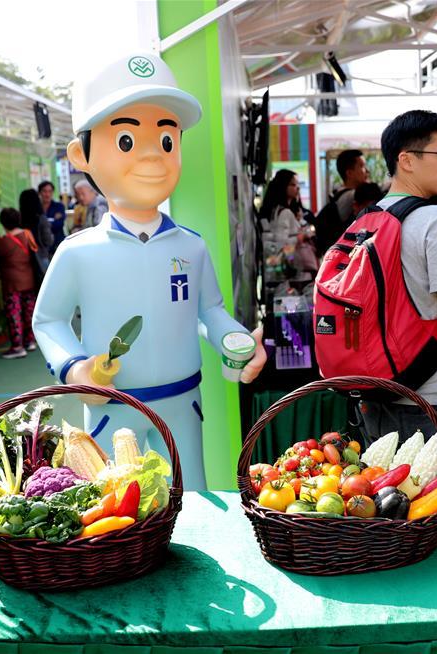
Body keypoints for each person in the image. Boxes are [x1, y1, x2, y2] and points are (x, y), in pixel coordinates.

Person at [33, 52, 266, 490]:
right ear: (82, 154)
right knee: (119, 507)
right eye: (126, 140)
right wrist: (75, 368)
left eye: (166, 140)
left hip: (182, 402)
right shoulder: (78, 252)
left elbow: (210, 311)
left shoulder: (191, 246)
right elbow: (48, 319)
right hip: (110, 408)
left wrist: (235, 342)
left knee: (191, 498)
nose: (152, 156)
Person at [358, 110, 437, 460]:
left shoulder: (365, 220)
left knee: (385, 493)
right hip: (434, 400)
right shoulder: (435, 219)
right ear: (406, 161)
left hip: (376, 394)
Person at [0, 208, 38, 358]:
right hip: (29, 280)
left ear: (3, 223)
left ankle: (17, 346)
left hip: (12, 283)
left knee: (14, 314)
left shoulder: (2, 242)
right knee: (29, 312)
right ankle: (30, 341)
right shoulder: (27, 234)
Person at [314, 149, 370, 255]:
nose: (367, 171)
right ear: (349, 173)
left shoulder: (338, 194)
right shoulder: (351, 196)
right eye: (362, 166)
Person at [19, 188, 53, 280]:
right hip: (41, 258)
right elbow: (48, 241)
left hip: (26, 260)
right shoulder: (41, 219)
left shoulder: (20, 221)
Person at [39, 180, 67, 255]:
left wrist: (43, 225)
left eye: (50, 191)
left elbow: (59, 224)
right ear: (39, 193)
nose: (47, 194)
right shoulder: (36, 208)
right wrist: (53, 220)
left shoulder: (59, 206)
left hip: (57, 245)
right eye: (44, 191)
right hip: (41, 246)